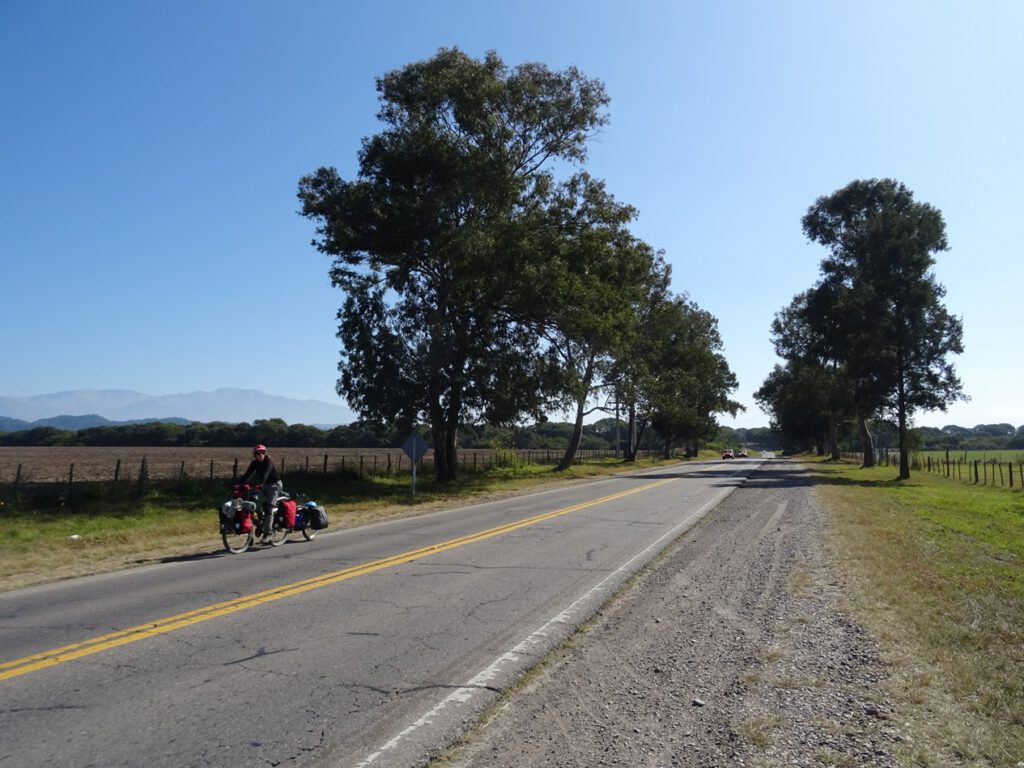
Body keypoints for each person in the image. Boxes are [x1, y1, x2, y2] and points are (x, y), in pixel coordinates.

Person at [238, 444, 282, 545]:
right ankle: (260, 523)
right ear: (255, 455)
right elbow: (247, 474)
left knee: (269, 508)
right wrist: (237, 484)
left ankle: (268, 534)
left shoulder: (268, 461)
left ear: (265, 453)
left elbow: (266, 474)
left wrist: (260, 484)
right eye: (257, 454)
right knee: (253, 506)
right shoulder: (254, 463)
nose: (260, 455)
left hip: (274, 485)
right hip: (262, 485)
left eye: (262, 453)